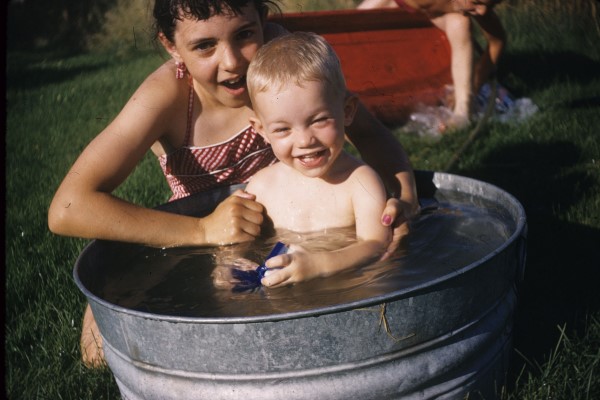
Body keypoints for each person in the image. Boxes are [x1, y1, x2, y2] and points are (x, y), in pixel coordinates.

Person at [48, 0, 418, 368]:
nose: (232, 61)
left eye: (244, 34)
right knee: (100, 356)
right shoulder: (166, 96)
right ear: (171, 46)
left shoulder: (279, 60)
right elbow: (68, 209)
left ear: (263, 20)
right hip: (198, 234)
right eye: (204, 45)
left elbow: (368, 133)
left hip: (289, 223)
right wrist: (203, 230)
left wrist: (404, 201)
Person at [245, 31, 390, 287]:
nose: (304, 141)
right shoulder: (261, 186)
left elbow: (376, 244)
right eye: (282, 129)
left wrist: (321, 264)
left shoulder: (360, 183)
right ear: (262, 131)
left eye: (319, 120)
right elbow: (245, 247)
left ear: (347, 111)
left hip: (346, 291)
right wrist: (233, 268)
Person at [358, 0, 506, 131]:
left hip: (437, 12)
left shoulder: (477, 8)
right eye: (477, 2)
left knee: (461, 23)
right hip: (399, 2)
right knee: (349, 26)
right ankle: (346, 102)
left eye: (491, 5)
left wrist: (476, 83)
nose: (482, 11)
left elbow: (497, 41)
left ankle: (463, 112)